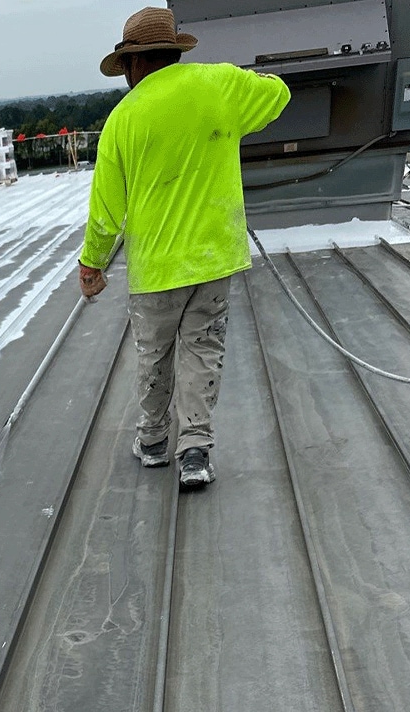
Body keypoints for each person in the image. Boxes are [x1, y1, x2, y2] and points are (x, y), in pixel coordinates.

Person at [78, 6, 290, 488]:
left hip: (155, 271)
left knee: (154, 355)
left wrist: (91, 264)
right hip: (215, 259)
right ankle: (195, 452)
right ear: (173, 51)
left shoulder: (122, 120)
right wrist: (240, 86)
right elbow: (278, 94)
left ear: (133, 63)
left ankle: (153, 442)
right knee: (203, 350)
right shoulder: (219, 85)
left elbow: (106, 211)